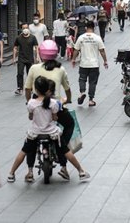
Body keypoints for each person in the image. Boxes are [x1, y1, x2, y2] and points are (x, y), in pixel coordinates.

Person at [21, 41, 90, 182]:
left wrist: (29, 102)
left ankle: (29, 172)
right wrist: (68, 99)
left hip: (38, 107)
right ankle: (63, 162)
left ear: (41, 53)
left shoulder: (34, 68)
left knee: (31, 140)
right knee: (68, 125)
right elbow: (67, 88)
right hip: (56, 107)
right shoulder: (60, 69)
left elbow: (27, 89)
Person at [71, 22, 108, 107]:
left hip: (83, 64)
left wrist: (73, 59)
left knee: (82, 79)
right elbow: (102, 50)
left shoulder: (81, 37)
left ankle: (82, 92)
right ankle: (91, 100)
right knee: (92, 82)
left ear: (85, 28)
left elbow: (76, 50)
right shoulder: (97, 38)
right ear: (94, 28)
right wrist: (105, 61)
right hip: (94, 65)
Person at [13, 24, 39, 95]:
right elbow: (15, 47)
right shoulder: (18, 38)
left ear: (28, 28)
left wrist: (37, 57)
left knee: (30, 74)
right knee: (20, 73)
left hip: (30, 58)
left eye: (26, 27)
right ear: (21, 29)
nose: (25, 29)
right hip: (21, 58)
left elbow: (36, 47)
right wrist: (14, 58)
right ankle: (19, 88)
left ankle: (30, 87)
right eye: (23, 28)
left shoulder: (32, 37)